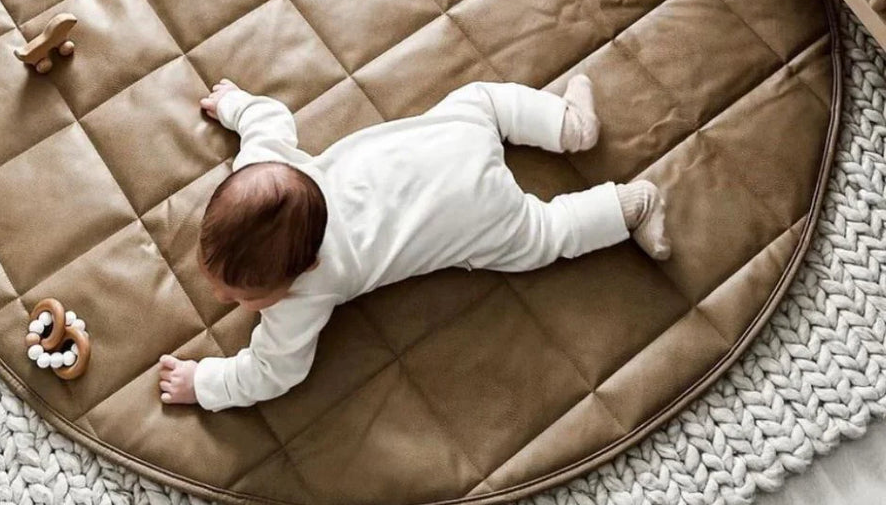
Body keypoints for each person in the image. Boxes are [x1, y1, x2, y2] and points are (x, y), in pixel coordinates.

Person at [158, 76, 669, 410]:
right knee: (486, 101)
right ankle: (568, 126)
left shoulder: (304, 296)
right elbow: (267, 120)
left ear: (308, 267)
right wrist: (234, 104)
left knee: (543, 235)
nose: (225, 299)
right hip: (452, 137)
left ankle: (630, 206)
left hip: (474, 213)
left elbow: (271, 373)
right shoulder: (264, 168)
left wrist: (205, 383)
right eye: (216, 277)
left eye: (247, 296)